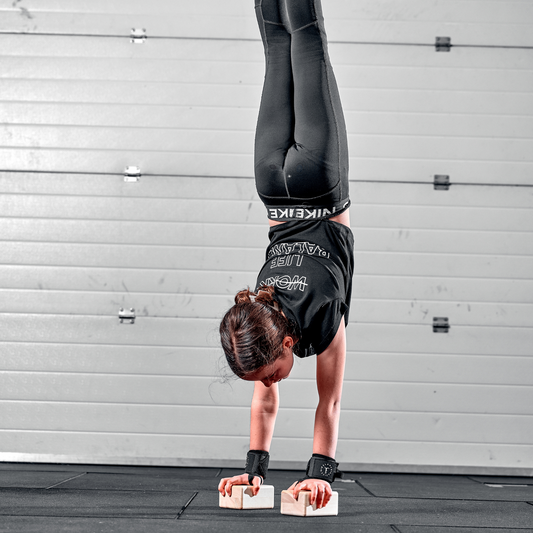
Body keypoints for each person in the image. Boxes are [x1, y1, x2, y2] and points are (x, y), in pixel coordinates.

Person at [218, 0, 354, 510]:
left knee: (307, 39)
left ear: (287, 341)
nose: (271, 385)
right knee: (278, 45)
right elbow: (268, 399)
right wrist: (253, 472)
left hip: (320, 181)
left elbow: (329, 400)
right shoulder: (258, 308)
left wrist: (321, 475)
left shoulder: (320, 323)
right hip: (272, 186)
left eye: (271, 373)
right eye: (265, 380)